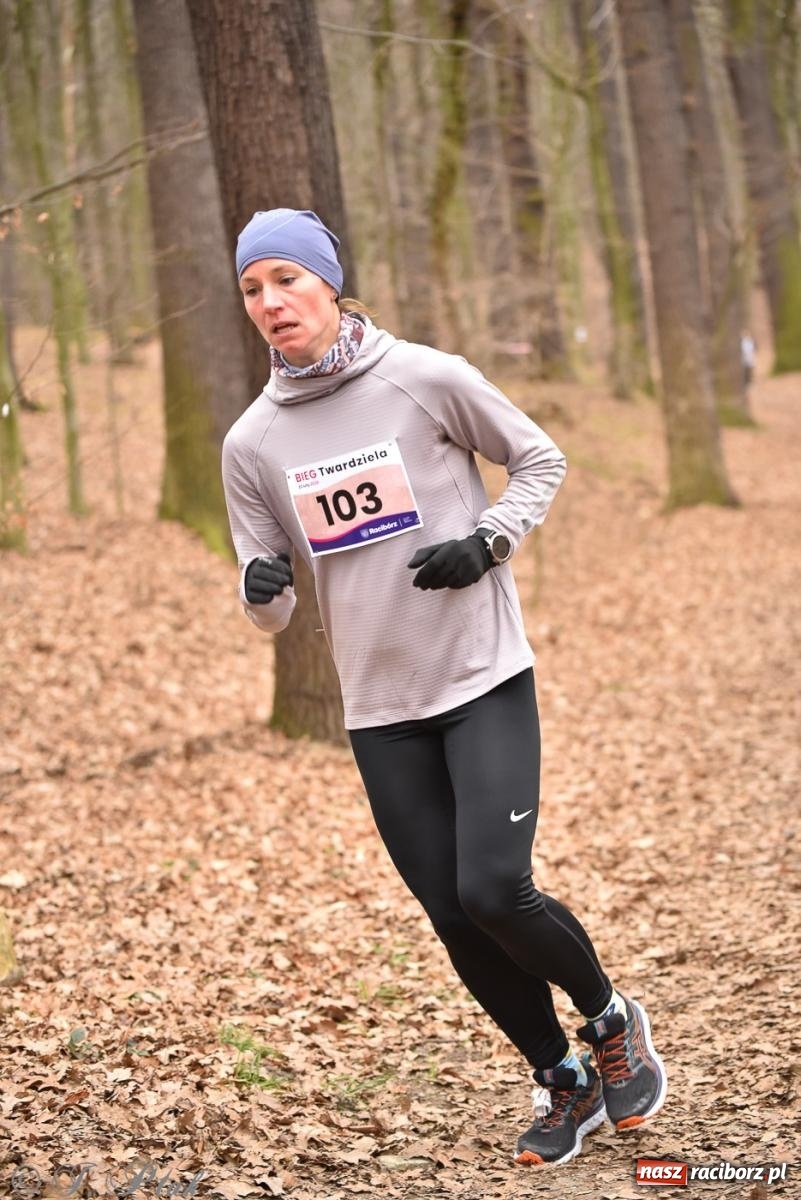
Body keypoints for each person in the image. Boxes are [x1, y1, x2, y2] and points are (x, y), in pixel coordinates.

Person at [222, 208, 667, 1167]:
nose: (269, 303)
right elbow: (271, 609)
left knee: (495, 888)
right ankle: (562, 1080)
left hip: (479, 675)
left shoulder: (421, 377)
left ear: (328, 281)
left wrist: (487, 541)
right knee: (451, 911)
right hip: (380, 708)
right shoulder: (252, 442)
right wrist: (260, 590)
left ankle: (609, 1019)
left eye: (285, 281)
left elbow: (537, 458)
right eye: (252, 289)